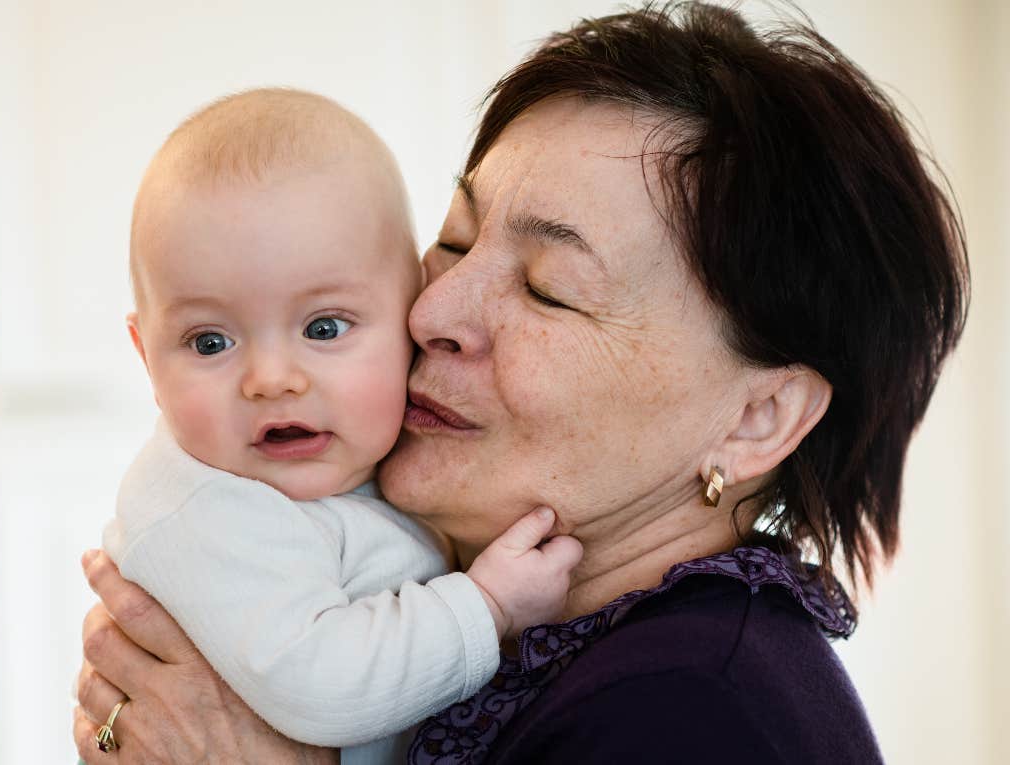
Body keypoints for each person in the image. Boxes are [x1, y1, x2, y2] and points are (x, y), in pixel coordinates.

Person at [74, 3, 968, 763]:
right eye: (456, 240)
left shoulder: (692, 710)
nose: (431, 311)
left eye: (548, 289)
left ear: (757, 416)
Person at [107, 87, 583, 763]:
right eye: (210, 342)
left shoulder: (375, 465)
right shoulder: (207, 510)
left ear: (411, 310)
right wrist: (487, 606)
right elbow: (319, 686)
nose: (271, 378)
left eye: (323, 327)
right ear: (147, 360)